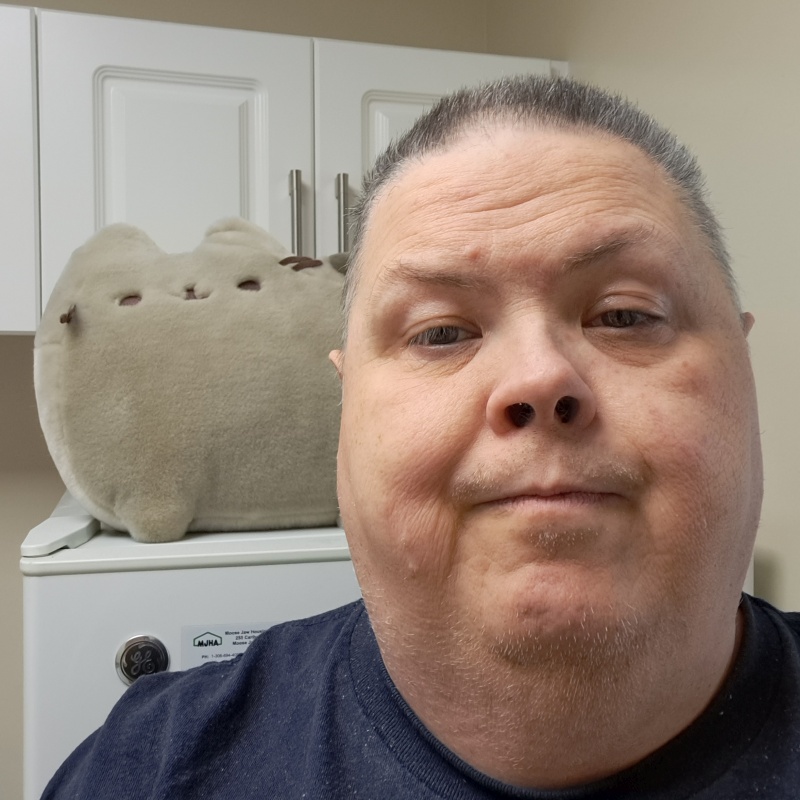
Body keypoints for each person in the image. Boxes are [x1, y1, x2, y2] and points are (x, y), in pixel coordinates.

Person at [43, 75, 800, 799]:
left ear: (744, 366)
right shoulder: (144, 771)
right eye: (440, 332)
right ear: (347, 402)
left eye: (625, 316)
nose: (539, 378)